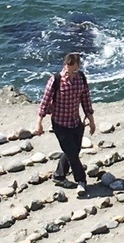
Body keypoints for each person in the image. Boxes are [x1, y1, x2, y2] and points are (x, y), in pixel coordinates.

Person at [37, 51, 97, 188]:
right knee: (72, 153)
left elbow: (86, 99)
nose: (72, 74)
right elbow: (44, 102)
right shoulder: (56, 80)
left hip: (76, 122)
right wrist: (39, 123)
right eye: (70, 71)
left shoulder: (81, 78)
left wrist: (91, 120)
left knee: (73, 151)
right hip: (60, 123)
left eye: (75, 70)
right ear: (65, 66)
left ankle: (59, 176)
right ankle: (81, 180)